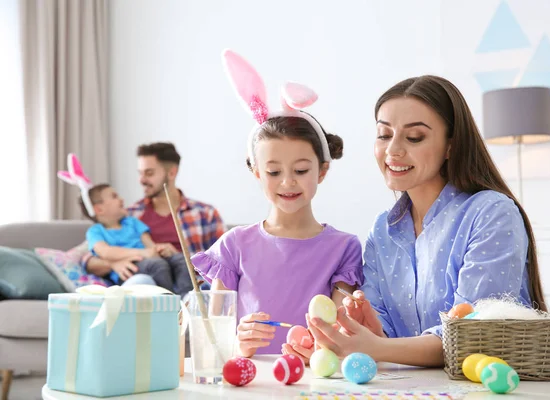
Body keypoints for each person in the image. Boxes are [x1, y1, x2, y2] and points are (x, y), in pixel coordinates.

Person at [305, 75, 550, 383]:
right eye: (383, 134)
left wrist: (376, 345)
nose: (393, 150)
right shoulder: (383, 230)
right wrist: (358, 335)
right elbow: (384, 337)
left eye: (415, 137)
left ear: (451, 145)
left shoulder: (491, 213)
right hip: (431, 388)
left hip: (507, 388)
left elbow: (472, 335)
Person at [190, 50, 364, 361]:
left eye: (300, 170)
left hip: (315, 382)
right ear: (256, 172)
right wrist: (239, 344)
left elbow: (342, 332)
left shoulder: (344, 248)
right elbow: (213, 341)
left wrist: (322, 347)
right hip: (250, 383)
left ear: (322, 171)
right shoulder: (234, 245)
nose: (287, 183)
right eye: (273, 172)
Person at [85, 142, 225, 291]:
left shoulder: (205, 214)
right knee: (141, 282)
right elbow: (88, 259)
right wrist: (112, 264)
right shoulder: (130, 215)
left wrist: (181, 256)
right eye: (140, 173)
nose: (141, 180)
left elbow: (224, 265)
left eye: (149, 173)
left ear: (171, 173)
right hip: (147, 286)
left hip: (191, 286)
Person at [80, 183, 190, 294]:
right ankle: (169, 305)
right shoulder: (95, 231)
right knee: (157, 265)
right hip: (129, 269)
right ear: (99, 209)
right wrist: (143, 253)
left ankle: (188, 301)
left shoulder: (132, 222)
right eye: (114, 196)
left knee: (180, 260)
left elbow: (149, 245)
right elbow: (105, 252)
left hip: (149, 260)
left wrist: (158, 250)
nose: (121, 199)